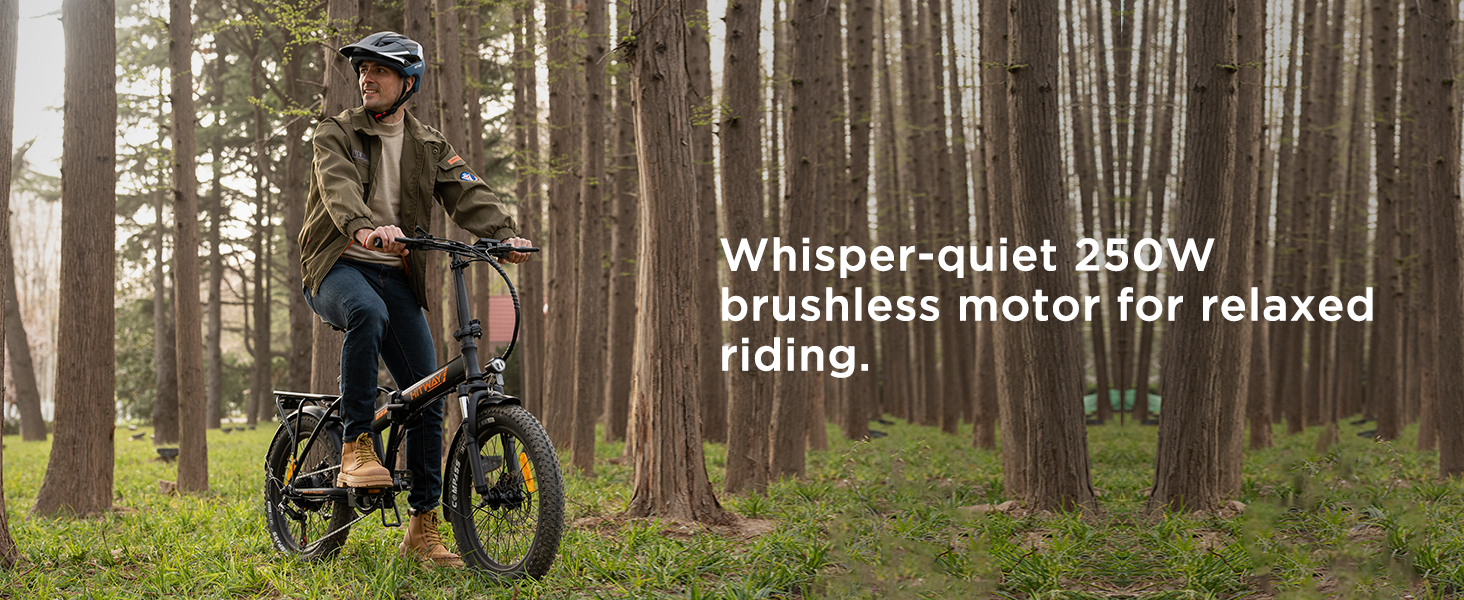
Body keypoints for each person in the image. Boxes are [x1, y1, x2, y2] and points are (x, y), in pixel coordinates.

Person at [297, 31, 531, 568]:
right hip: (336, 266)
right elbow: (338, 190)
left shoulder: (428, 143)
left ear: (408, 82)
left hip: (397, 275)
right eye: (362, 71)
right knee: (367, 312)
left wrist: (506, 234)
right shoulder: (336, 132)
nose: (366, 79)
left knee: (426, 395)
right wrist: (363, 228)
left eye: (379, 71)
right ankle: (356, 444)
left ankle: (424, 529)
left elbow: (467, 190)